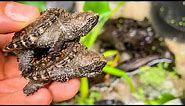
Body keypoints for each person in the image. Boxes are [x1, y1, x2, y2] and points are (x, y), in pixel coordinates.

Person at [0, 2, 80, 105]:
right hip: (30, 41)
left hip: (41, 52)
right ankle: (25, 68)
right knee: (27, 52)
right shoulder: (60, 25)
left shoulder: (71, 35)